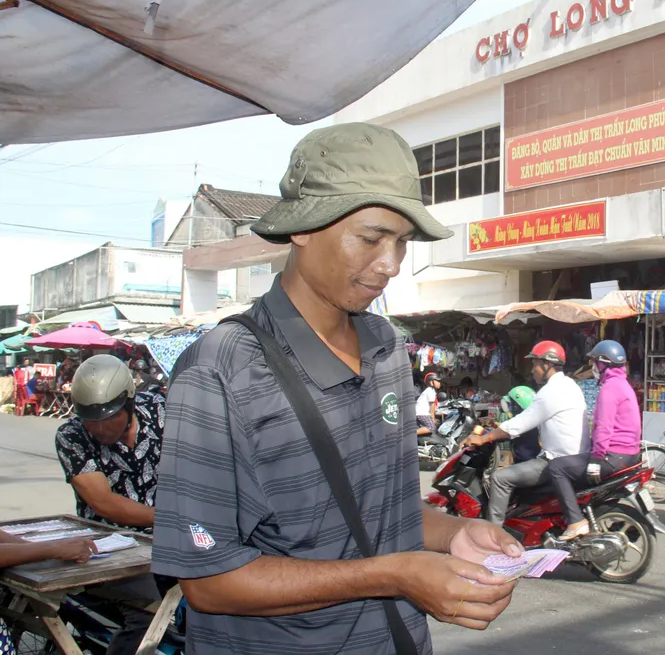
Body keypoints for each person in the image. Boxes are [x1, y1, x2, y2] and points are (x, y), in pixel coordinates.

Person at [151, 123, 520, 655]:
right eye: (371, 238)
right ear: (301, 229)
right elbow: (208, 583)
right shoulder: (221, 370)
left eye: (401, 242)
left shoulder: (387, 346)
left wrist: (449, 534)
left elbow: (378, 511)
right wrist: (394, 575)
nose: (390, 264)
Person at [466, 341, 589, 525]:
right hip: (573, 458)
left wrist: (485, 438)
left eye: (535, 364)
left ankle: (493, 534)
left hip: (557, 460)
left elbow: (519, 424)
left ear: (548, 364)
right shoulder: (570, 385)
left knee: (499, 478)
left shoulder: (551, 391)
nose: (532, 370)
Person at [55, 354, 164, 533]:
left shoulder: (159, 411)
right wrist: (172, 520)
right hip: (109, 541)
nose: (99, 428)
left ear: (129, 404)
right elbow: (103, 502)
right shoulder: (71, 435)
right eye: (90, 419)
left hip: (173, 537)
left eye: (110, 418)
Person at [547, 340, 642, 540]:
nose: (592, 367)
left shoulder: (609, 389)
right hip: (629, 454)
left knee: (557, 467)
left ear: (603, 364)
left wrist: (596, 459)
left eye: (594, 363)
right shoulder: (623, 385)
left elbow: (603, 428)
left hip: (613, 455)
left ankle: (575, 521)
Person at [500, 385, 541, 463]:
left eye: (512, 405)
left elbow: (506, 433)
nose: (510, 408)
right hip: (525, 457)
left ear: (519, 407)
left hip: (525, 460)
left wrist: (486, 437)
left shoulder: (523, 423)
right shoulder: (534, 421)